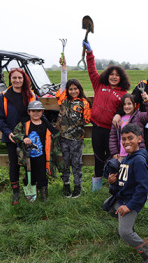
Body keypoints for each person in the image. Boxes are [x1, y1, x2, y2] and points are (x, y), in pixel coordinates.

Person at [82, 40, 131, 190]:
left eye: (117, 75)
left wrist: (117, 113)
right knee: (98, 156)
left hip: (111, 130)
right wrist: (89, 53)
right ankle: (96, 187)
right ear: (107, 76)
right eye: (111, 74)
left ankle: (113, 184)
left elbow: (126, 109)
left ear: (121, 78)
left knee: (113, 158)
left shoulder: (123, 93)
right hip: (96, 127)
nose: (114, 77)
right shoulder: (99, 85)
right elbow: (91, 70)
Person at [107, 123, 148, 263]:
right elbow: (122, 182)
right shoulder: (128, 158)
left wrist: (128, 206)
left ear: (139, 139)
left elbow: (142, 189)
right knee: (109, 207)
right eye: (123, 139)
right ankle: (129, 227)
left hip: (131, 201)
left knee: (124, 232)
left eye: (130, 138)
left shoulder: (139, 160)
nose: (126, 142)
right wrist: (112, 182)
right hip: (122, 197)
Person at [0, 68, 37, 205]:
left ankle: (28, 187)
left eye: (19, 78)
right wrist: (8, 133)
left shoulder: (31, 95)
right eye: (14, 78)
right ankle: (15, 192)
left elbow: (37, 115)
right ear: (10, 79)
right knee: (13, 164)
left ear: (23, 78)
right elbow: (0, 118)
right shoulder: (4, 96)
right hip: (11, 137)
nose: (17, 80)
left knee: (29, 164)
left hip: (28, 136)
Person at [55, 56, 91, 198]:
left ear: (79, 89)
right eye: (71, 89)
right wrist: (64, 68)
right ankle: (66, 185)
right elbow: (63, 83)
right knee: (65, 163)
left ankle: (77, 186)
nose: (73, 91)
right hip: (63, 138)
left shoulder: (84, 103)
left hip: (77, 139)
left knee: (77, 163)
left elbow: (87, 119)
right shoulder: (63, 99)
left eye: (75, 89)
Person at [12, 101, 61, 201]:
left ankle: (43, 196)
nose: (36, 113)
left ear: (42, 112)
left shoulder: (46, 125)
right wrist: (23, 138)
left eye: (38, 111)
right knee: (29, 175)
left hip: (42, 156)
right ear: (28, 112)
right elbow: (15, 134)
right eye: (33, 111)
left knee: (42, 175)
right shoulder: (24, 124)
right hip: (28, 157)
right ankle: (31, 196)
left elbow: (55, 135)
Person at [109, 92, 148, 162]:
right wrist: (114, 152)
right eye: (124, 104)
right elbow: (113, 137)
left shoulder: (139, 116)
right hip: (122, 155)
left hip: (136, 154)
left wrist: (147, 100)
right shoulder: (117, 119)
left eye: (129, 104)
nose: (127, 106)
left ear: (134, 105)